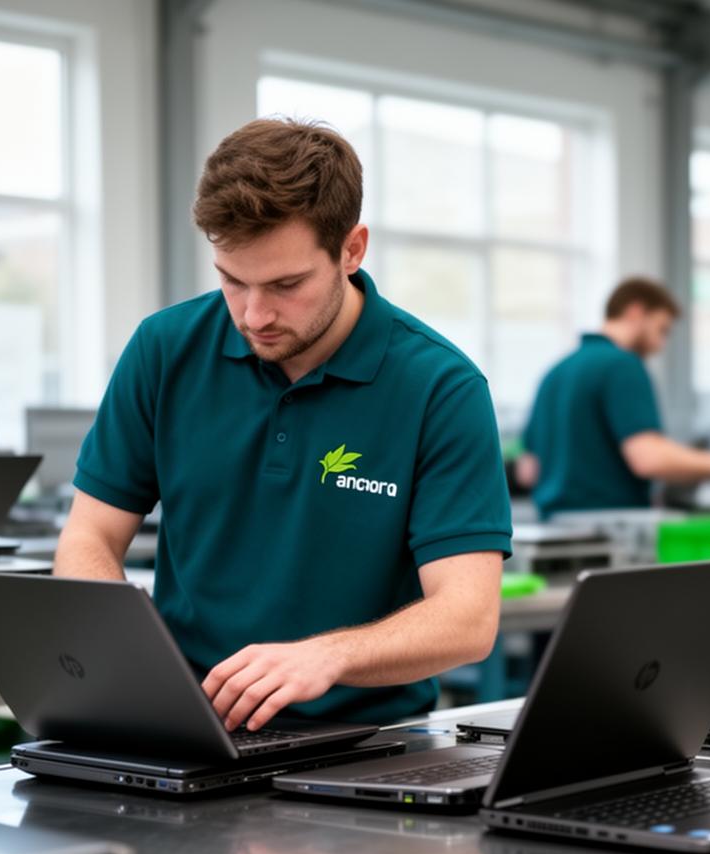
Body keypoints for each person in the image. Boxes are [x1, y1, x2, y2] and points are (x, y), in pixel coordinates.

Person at [56, 119, 510, 734]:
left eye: (286, 285)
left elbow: (467, 619)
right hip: (183, 726)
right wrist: (128, 662)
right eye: (231, 280)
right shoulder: (164, 349)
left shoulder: (440, 388)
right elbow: (89, 535)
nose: (254, 315)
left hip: (365, 742)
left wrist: (328, 656)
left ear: (352, 250)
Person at [517, 279, 710, 520]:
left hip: (553, 525)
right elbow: (648, 458)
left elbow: (528, 471)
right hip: (610, 527)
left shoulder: (555, 372)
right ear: (636, 312)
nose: (660, 345)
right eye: (662, 330)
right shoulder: (622, 364)